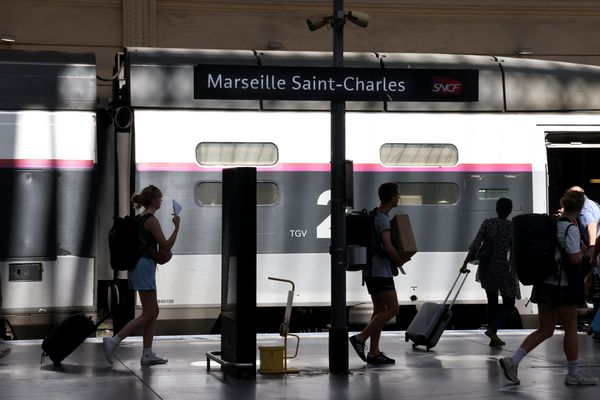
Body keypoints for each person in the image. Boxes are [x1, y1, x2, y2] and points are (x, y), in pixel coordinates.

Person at [499, 190, 598, 386]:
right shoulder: (570, 228)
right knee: (570, 328)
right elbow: (573, 258)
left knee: (545, 329)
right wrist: (583, 253)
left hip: (544, 283)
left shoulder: (550, 226)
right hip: (563, 286)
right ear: (578, 210)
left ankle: (513, 360)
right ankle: (573, 373)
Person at [103, 185, 180, 366]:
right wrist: (177, 226)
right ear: (153, 200)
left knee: (153, 312)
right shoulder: (151, 220)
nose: (161, 201)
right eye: (159, 198)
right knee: (149, 313)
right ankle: (113, 341)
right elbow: (167, 245)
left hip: (138, 267)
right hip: (144, 267)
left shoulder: (139, 218)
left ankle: (147, 353)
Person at [349, 182, 411, 365]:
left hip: (370, 271)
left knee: (379, 310)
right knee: (393, 309)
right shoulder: (382, 218)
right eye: (398, 194)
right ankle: (360, 338)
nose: (399, 197)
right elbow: (388, 246)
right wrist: (399, 260)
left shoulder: (375, 214)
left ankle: (374, 353)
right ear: (392, 197)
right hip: (380, 271)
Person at [461, 198, 520, 347]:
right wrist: (514, 271)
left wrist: (465, 262)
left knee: (492, 300)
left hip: (486, 267)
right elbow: (514, 252)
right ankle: (493, 330)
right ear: (509, 210)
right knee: (509, 302)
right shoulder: (511, 227)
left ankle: (493, 337)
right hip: (501, 267)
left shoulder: (488, 223)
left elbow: (476, 243)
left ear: (497, 209)